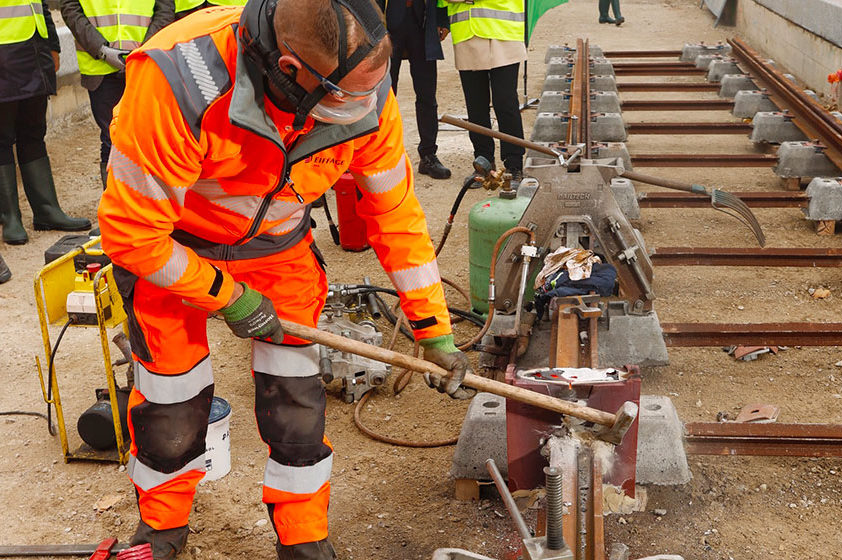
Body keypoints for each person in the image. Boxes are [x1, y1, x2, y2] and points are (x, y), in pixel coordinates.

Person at [96, 0, 476, 557]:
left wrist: (432, 329)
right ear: (293, 72)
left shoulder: (364, 93)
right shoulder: (178, 79)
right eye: (345, 102)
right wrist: (226, 297)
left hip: (280, 254)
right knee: (170, 404)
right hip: (172, 252)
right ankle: (161, 531)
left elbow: (394, 215)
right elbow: (131, 235)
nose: (362, 112)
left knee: (296, 407)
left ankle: (303, 540)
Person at [0, 0, 92, 244]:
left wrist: (53, 46)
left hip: (34, 51)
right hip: (3, 55)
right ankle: (10, 218)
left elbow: (38, 5)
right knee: (2, 138)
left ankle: (47, 210)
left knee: (33, 132)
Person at [60, 0, 174, 185]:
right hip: (100, 67)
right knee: (112, 139)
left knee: (149, 138)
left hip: (146, 62)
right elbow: (69, 7)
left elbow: (166, 7)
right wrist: (101, 49)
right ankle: (116, 207)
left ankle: (146, 203)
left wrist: (145, 48)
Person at [440, 0, 525, 178]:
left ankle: (514, 164)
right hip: (467, 34)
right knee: (475, 105)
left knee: (505, 102)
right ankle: (483, 161)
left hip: (503, 33)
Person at [377, 0, 451, 179]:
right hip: (387, 24)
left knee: (427, 94)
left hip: (421, 23)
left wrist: (442, 19)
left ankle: (428, 155)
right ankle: (383, 158)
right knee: (384, 97)